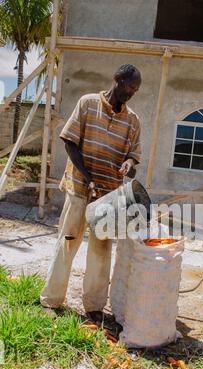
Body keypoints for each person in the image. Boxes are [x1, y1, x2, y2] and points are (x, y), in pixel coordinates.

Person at [40, 64, 142, 323]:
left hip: (109, 197)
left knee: (100, 251)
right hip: (78, 188)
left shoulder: (133, 120)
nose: (131, 93)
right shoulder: (87, 103)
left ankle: (94, 306)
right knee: (67, 243)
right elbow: (70, 142)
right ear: (117, 79)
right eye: (129, 87)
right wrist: (89, 180)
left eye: (136, 90)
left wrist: (129, 164)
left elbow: (134, 155)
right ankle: (52, 299)